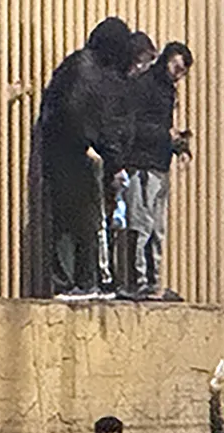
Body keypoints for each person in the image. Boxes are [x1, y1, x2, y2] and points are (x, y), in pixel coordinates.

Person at [35, 19, 134, 298]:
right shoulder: (98, 73)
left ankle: (71, 282)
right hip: (83, 155)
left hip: (61, 152)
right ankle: (85, 280)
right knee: (87, 221)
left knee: (67, 221)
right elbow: (99, 120)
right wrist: (112, 159)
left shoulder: (76, 67)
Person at [113, 41, 191, 300]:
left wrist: (178, 147)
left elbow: (162, 126)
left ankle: (153, 280)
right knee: (141, 224)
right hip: (141, 164)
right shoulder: (144, 85)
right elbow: (134, 126)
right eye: (176, 68)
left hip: (159, 164)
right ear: (167, 60)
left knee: (157, 228)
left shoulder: (167, 91)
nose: (177, 75)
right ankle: (138, 281)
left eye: (182, 72)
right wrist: (165, 136)